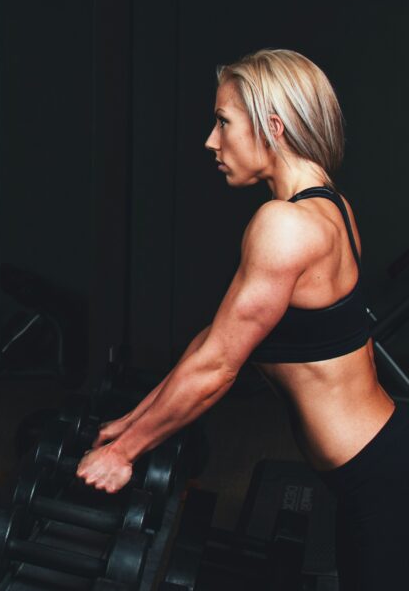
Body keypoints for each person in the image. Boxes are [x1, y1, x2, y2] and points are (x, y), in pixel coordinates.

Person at [76, 49, 408, 589]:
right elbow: (215, 340)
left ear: (272, 127)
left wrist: (123, 456)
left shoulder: (285, 224)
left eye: (223, 122)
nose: (212, 140)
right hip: (375, 466)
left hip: (380, 478)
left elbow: (220, 368)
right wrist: (134, 423)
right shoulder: (333, 208)